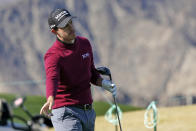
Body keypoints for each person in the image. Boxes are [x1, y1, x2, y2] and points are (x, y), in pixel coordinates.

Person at [40, 8, 117, 131]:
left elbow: (91, 72)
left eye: (70, 22)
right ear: (54, 31)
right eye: (65, 26)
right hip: (66, 112)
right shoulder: (53, 55)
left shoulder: (85, 44)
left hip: (88, 112)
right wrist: (50, 98)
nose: (70, 27)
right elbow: (52, 78)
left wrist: (103, 83)